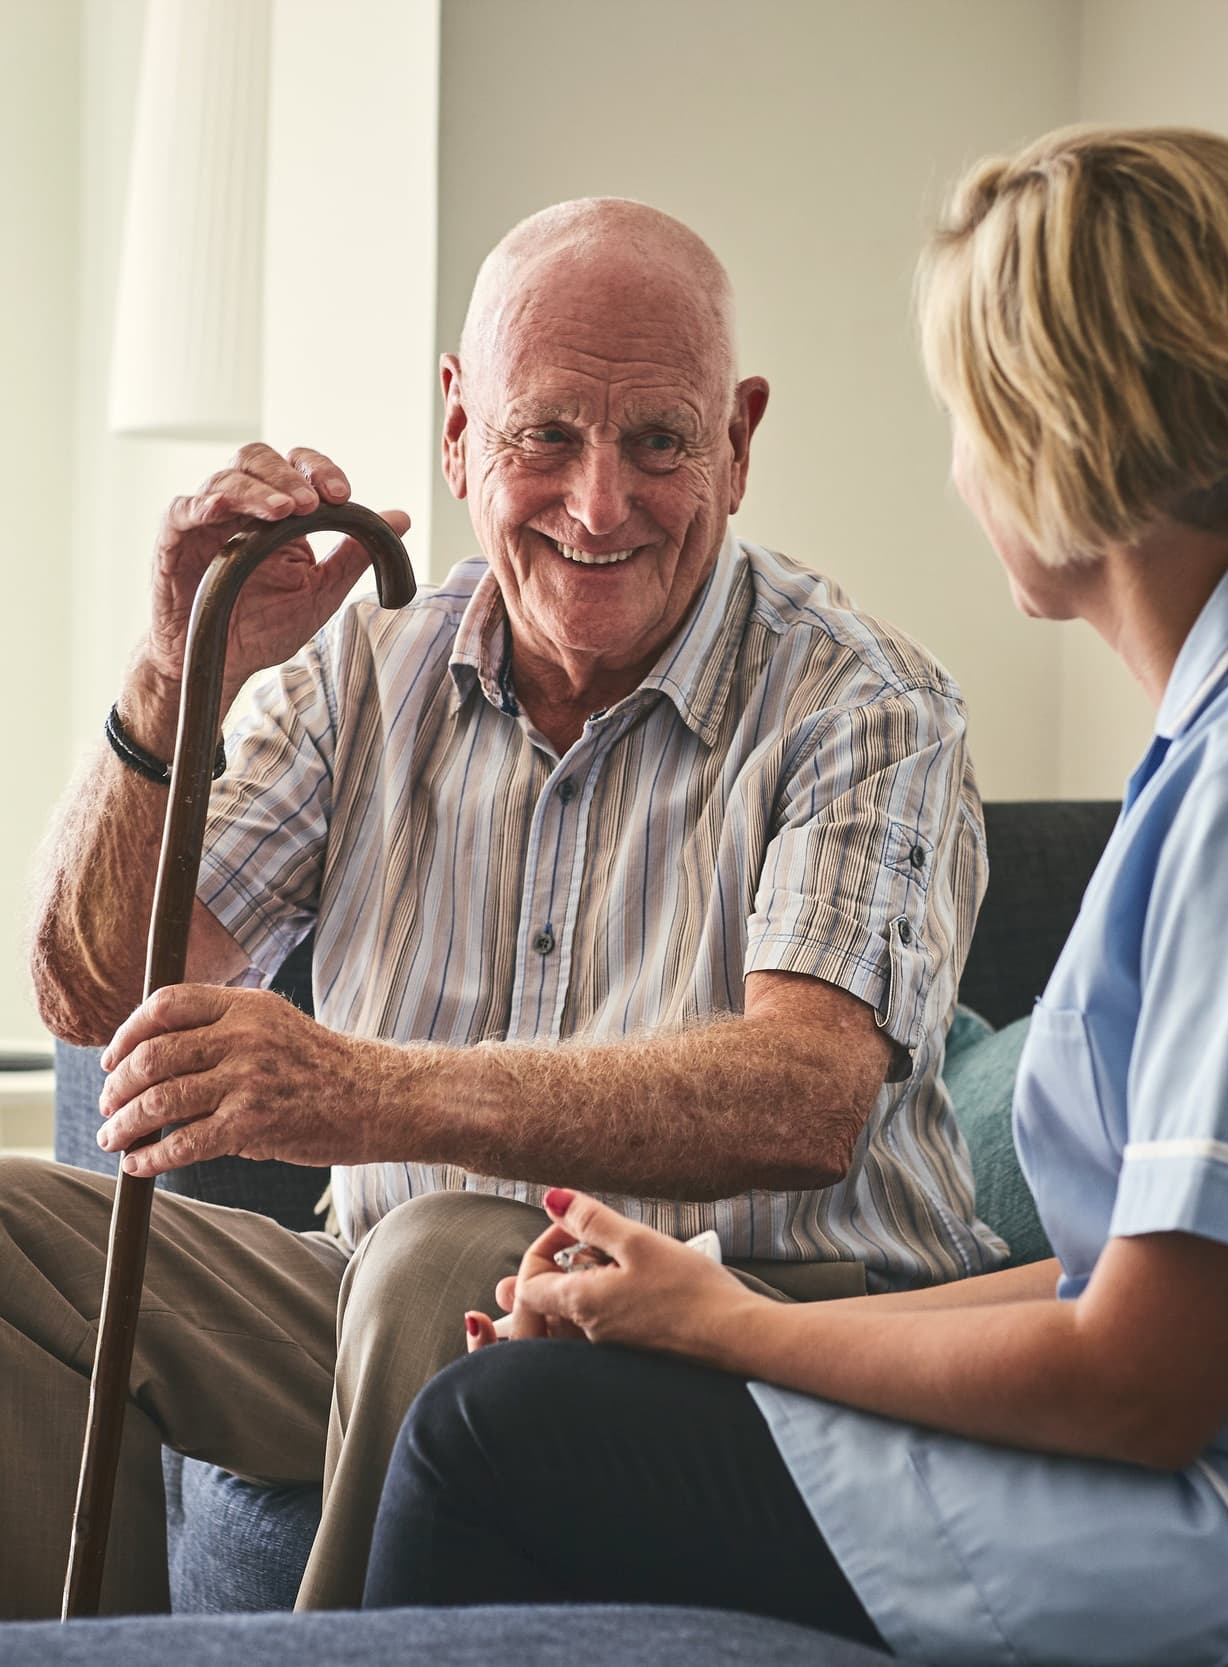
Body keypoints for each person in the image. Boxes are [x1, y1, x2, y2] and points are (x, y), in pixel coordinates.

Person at [360, 129, 1228, 1666]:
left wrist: (741, 1331)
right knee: (547, 1393)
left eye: (961, 412)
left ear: (1041, 429)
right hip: (1199, 1460)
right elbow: (1107, 1289)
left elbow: (1147, 1383)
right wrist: (689, 1309)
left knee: (498, 1439)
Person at [5, 199, 996, 1618]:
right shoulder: (368, 671)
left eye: (659, 440)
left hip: (763, 1330)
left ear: (738, 438)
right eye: (546, 436)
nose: (601, 505)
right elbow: (94, 997)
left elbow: (803, 1096)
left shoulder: (866, 704)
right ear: (460, 428)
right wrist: (177, 669)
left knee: (435, 1252)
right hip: (374, 1299)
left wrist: (369, 1093)